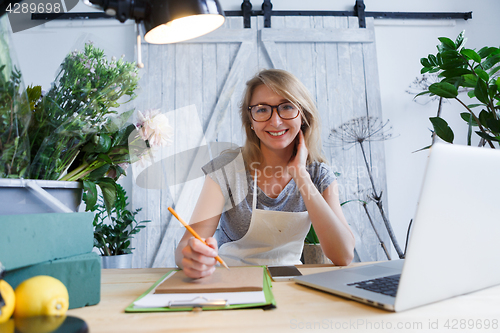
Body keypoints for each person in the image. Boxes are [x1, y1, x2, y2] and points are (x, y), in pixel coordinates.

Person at [175, 69, 355, 278]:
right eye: (262, 110)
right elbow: (184, 248)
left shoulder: (318, 175)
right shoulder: (226, 169)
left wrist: (300, 174)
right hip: (232, 283)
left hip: (292, 284)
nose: (276, 121)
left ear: (303, 115)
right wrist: (191, 258)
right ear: (250, 120)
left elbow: (343, 256)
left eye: (287, 107)